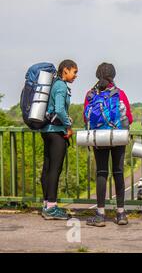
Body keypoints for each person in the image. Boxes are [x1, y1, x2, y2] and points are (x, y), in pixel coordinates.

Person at [85, 63, 133, 227]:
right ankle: (121, 214)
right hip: (118, 137)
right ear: (114, 75)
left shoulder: (90, 94)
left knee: (101, 172)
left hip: (100, 137)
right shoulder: (120, 94)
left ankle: (100, 214)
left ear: (97, 75)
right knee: (118, 172)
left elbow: (87, 118)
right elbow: (129, 118)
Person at [41, 59, 78, 220]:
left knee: (48, 168)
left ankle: (46, 204)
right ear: (65, 70)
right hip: (56, 133)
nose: (75, 75)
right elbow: (59, 109)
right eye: (74, 72)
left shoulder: (54, 84)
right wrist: (68, 125)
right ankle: (52, 207)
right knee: (55, 169)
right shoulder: (61, 86)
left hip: (46, 130)